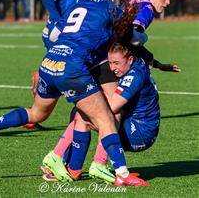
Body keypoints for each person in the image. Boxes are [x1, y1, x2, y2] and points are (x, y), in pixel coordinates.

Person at [0, 0, 149, 187]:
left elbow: (55, 34)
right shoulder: (109, 7)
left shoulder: (76, 3)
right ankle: (121, 173)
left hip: (50, 62)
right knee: (106, 119)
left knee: (36, 114)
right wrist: (141, 37)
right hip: (72, 68)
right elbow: (134, 38)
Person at [43, 43, 162, 185]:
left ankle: (89, 163)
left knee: (94, 115)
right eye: (110, 63)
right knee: (83, 112)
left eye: (116, 63)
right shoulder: (136, 62)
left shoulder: (134, 76)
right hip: (136, 126)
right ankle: (73, 168)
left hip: (139, 133)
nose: (112, 68)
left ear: (130, 60)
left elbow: (111, 107)